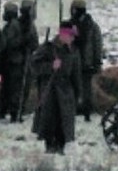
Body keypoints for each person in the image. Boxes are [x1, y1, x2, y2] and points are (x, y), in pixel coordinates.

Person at [31, 21, 81, 154]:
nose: (72, 38)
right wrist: (50, 66)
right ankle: (50, 148)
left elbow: (76, 75)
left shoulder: (74, 51)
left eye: (73, 36)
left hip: (66, 92)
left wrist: (77, 94)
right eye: (70, 35)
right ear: (63, 34)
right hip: (50, 90)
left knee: (64, 123)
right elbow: (34, 66)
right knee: (49, 121)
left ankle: (61, 148)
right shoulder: (47, 48)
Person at [68, 0, 103, 122]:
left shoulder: (91, 27)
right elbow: (62, 44)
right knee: (73, 88)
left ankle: (86, 112)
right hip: (73, 63)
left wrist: (97, 63)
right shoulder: (70, 25)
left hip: (86, 63)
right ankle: (74, 110)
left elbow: (97, 46)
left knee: (86, 89)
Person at [0, 2, 26, 123]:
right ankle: (7, 111)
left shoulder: (13, 25)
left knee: (12, 89)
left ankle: (13, 113)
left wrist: (0, 38)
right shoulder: (11, 25)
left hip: (13, 62)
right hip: (10, 61)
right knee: (8, 88)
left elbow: (8, 43)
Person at [17, 0, 39, 120]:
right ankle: (17, 110)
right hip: (19, 61)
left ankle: (21, 109)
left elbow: (34, 44)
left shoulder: (31, 25)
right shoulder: (20, 24)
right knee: (19, 87)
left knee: (25, 86)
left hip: (28, 59)